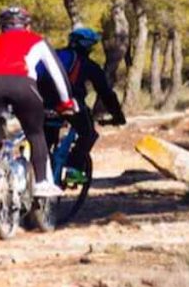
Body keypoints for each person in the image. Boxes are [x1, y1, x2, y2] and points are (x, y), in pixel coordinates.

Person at [0, 7, 76, 197]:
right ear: (27, 26)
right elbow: (57, 73)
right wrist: (66, 102)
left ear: (2, 27)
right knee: (35, 133)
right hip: (23, 86)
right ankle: (41, 182)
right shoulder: (37, 40)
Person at [40, 27, 127, 186]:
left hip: (41, 103)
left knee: (44, 139)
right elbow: (106, 93)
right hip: (70, 105)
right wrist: (118, 116)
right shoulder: (88, 64)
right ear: (88, 46)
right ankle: (74, 170)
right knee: (88, 133)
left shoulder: (53, 56)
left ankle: (37, 173)